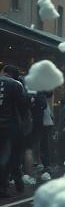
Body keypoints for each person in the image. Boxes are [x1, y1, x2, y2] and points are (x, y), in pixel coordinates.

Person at [0, 64, 29, 197]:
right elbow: (23, 107)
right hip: (8, 126)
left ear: (4, 71)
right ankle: (2, 187)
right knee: (6, 156)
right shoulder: (16, 85)